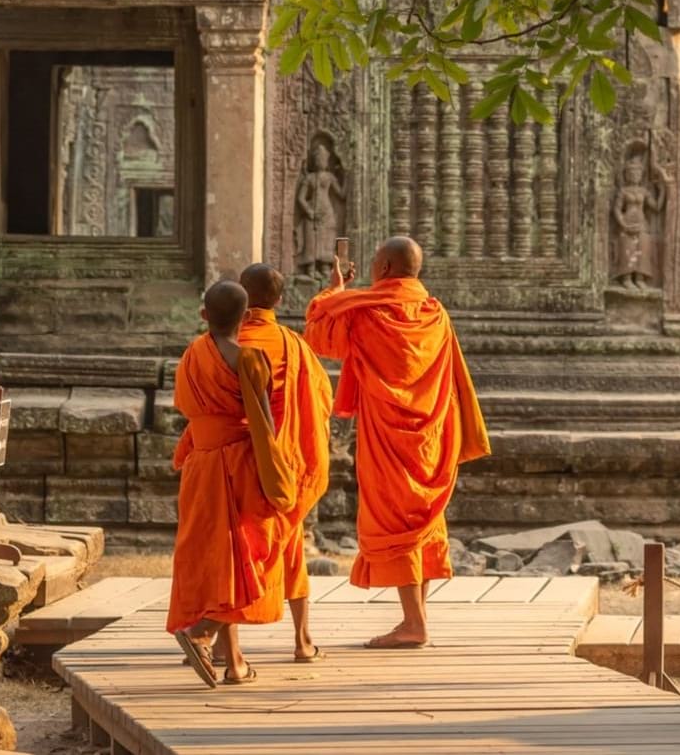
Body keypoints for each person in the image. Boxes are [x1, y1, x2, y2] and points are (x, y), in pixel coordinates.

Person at [303, 236, 490, 649]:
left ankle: (413, 623)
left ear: (385, 269)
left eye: (372, 262)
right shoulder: (436, 315)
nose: (369, 268)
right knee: (421, 519)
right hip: (432, 437)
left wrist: (335, 288)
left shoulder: (366, 313)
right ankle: (415, 619)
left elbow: (318, 334)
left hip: (387, 436)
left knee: (397, 520)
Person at [167, 279, 296, 687]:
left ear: (204, 316)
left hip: (199, 465)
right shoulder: (250, 359)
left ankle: (236, 663)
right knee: (256, 553)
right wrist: (277, 471)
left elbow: (189, 409)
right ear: (247, 317)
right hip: (239, 464)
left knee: (219, 559)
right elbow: (266, 424)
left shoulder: (191, 355)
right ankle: (202, 630)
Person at [224, 262, 332, 663]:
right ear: (281, 300)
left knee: (236, 549)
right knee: (288, 547)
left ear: (240, 295)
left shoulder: (227, 344)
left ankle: (221, 643)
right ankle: (303, 640)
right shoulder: (295, 345)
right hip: (287, 464)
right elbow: (322, 400)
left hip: (238, 461)